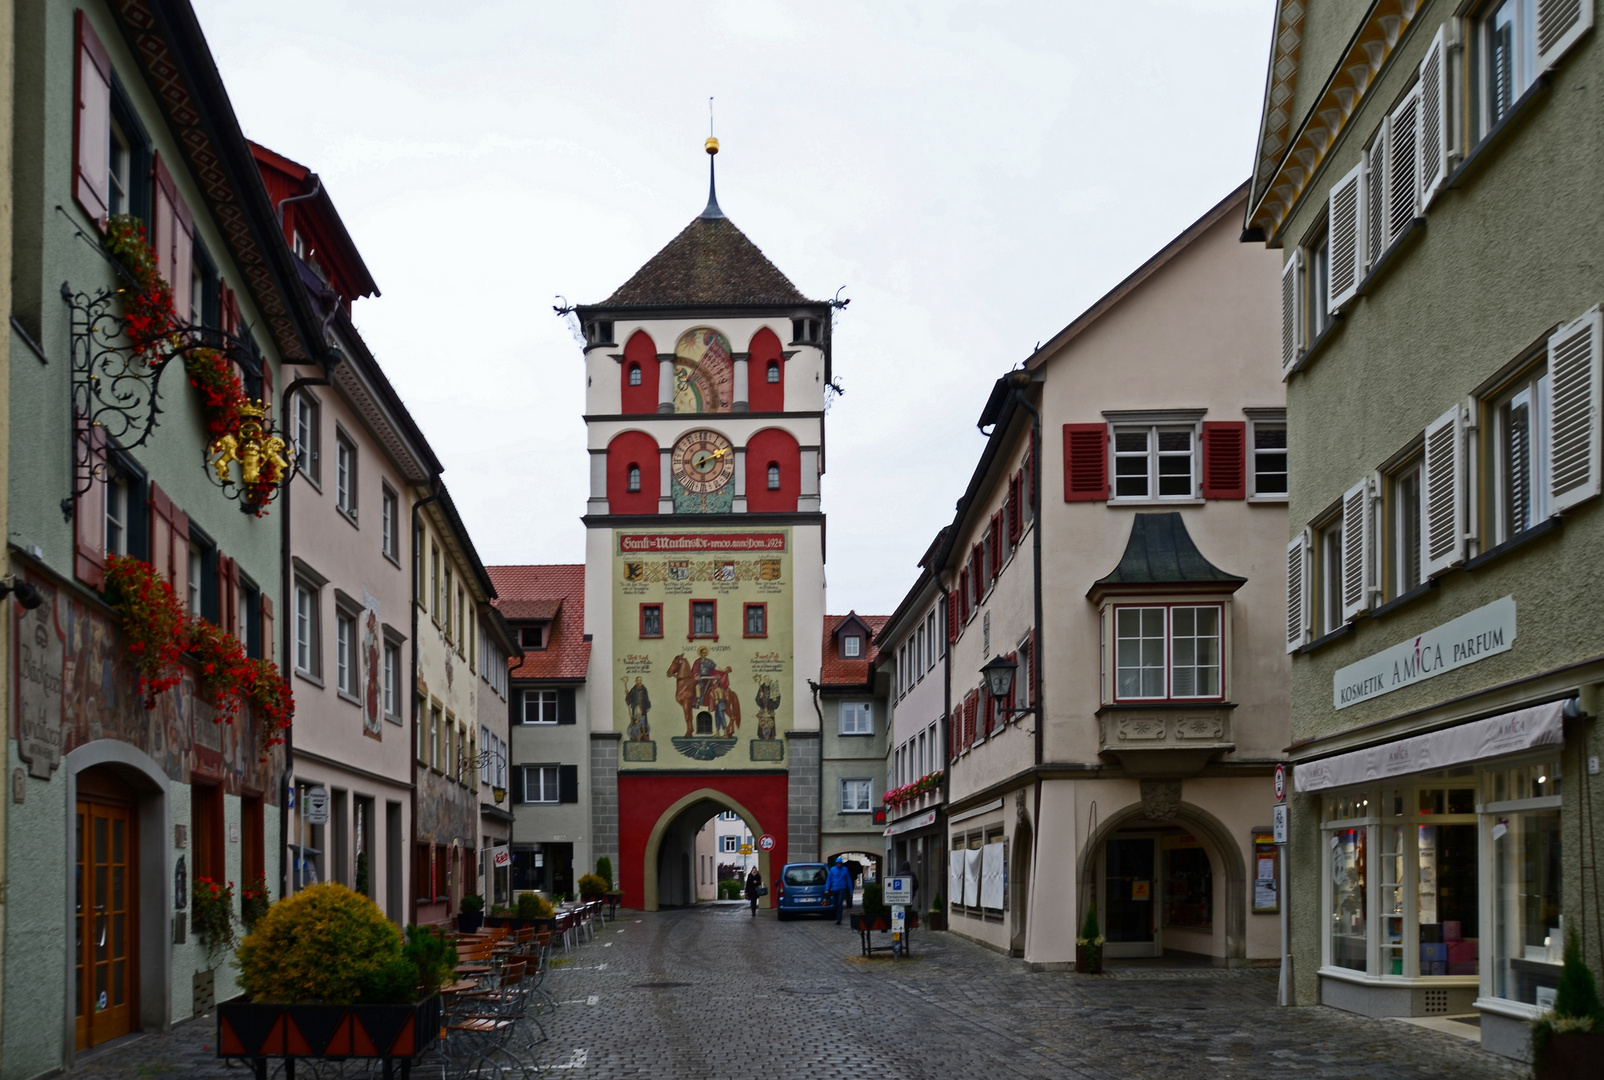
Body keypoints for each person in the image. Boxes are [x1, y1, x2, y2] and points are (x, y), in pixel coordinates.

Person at [826, 857, 852, 925]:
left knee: (839, 903)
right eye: (838, 863)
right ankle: (836, 916)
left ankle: (839, 918)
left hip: (842, 888)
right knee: (835, 904)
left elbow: (848, 880)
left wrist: (851, 890)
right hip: (834, 889)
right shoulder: (832, 870)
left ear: (841, 863)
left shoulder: (845, 870)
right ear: (836, 863)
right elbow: (829, 880)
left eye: (840, 863)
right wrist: (827, 889)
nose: (839, 864)